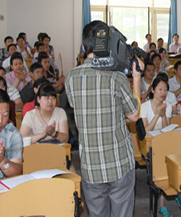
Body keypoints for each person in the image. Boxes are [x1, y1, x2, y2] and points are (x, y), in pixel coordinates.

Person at [65, 21, 142, 217]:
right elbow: (134, 115)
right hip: (119, 162)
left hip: (91, 164)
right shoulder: (116, 77)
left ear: (83, 47)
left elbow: (75, 106)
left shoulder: (71, 77)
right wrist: (137, 79)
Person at [140, 75, 172, 217]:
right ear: (152, 90)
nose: (163, 92)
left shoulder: (168, 105)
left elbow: (167, 129)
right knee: (161, 163)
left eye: (165, 89)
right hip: (149, 145)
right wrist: (157, 115)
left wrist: (164, 116)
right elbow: (146, 130)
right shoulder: (144, 107)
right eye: (160, 89)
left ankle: (173, 191)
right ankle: (161, 205)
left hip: (163, 142)